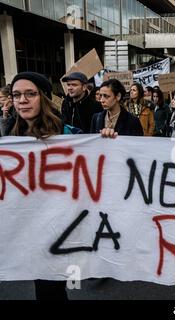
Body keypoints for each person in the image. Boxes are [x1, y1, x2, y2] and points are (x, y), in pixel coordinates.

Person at [8, 71, 83, 300]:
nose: (22, 100)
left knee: (51, 287)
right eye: (17, 95)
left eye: (30, 94)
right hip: (27, 225)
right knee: (42, 284)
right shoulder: (9, 134)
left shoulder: (66, 134)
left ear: (44, 97)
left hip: (59, 226)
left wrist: (107, 139)